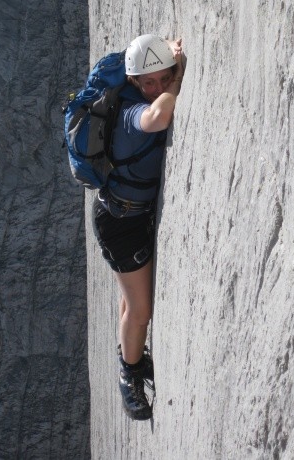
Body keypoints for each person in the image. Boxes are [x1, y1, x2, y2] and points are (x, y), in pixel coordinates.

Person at [92, 34, 185, 420]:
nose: (157, 87)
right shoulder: (132, 114)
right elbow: (158, 117)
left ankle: (128, 348)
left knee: (131, 300)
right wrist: (177, 77)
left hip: (128, 214)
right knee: (141, 309)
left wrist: (168, 58)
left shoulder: (138, 92)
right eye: (149, 82)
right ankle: (129, 375)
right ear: (133, 83)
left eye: (162, 79)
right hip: (120, 223)